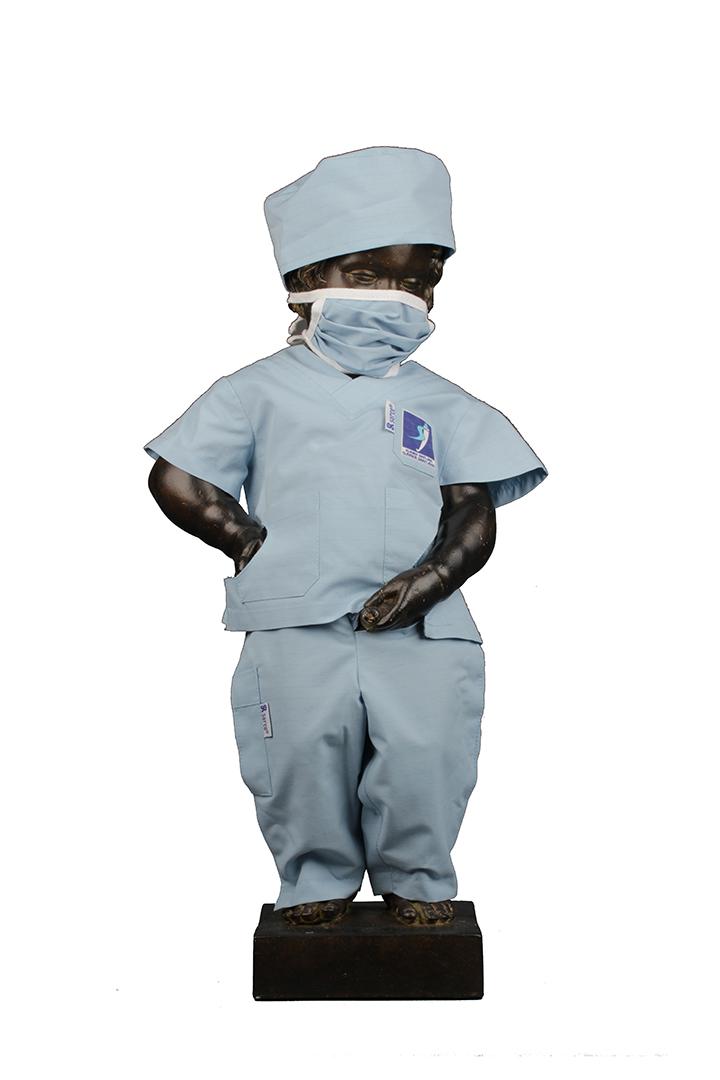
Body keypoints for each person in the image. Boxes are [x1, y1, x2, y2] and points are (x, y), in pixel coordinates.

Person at [144, 146, 548, 928]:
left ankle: (417, 879)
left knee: (428, 756)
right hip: (297, 623)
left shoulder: (443, 403)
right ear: (305, 279)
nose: (399, 299)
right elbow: (179, 476)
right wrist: (248, 543)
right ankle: (314, 879)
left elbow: (473, 508)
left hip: (423, 628)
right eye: (368, 276)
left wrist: (433, 579)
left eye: (420, 281)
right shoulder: (255, 392)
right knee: (298, 756)